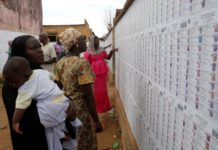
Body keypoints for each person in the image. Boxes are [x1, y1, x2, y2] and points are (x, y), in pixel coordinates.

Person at [3, 56, 78, 150]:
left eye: (14, 82)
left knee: (45, 120)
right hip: (63, 101)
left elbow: (20, 107)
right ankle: (65, 132)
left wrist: (15, 121)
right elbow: (54, 79)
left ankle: (61, 134)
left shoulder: (25, 88)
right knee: (59, 120)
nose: (12, 85)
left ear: (26, 76)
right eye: (9, 83)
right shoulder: (40, 72)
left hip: (50, 108)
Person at [56, 28, 102, 150]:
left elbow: (60, 86)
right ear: (76, 43)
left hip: (67, 108)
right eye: (82, 39)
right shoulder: (82, 63)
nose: (85, 42)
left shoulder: (60, 62)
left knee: (74, 140)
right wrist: (96, 120)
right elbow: (87, 94)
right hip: (81, 110)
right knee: (85, 141)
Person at [2, 35, 48, 150]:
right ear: (20, 53)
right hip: (30, 142)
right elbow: (27, 119)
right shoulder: (13, 83)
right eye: (33, 48)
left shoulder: (40, 73)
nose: (40, 51)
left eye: (39, 47)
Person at [84, 35, 118, 113]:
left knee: (103, 90)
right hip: (94, 74)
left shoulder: (101, 50)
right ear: (92, 42)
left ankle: (105, 107)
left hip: (103, 73)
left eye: (98, 41)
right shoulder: (87, 52)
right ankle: (97, 108)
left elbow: (108, 57)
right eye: (96, 41)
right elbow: (86, 64)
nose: (98, 42)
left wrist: (112, 51)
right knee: (96, 91)